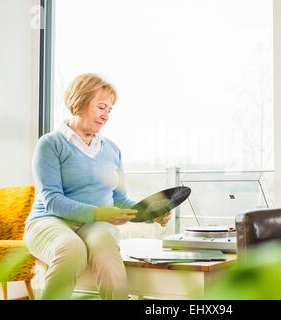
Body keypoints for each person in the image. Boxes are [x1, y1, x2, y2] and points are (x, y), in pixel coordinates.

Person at [23, 73, 171, 300]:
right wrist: (100, 213)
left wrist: (151, 212)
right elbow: (52, 201)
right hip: (49, 221)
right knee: (71, 249)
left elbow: (119, 199)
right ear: (80, 101)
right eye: (102, 107)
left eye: (110, 110)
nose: (106, 116)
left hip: (96, 224)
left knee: (106, 252)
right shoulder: (50, 144)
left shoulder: (112, 149)